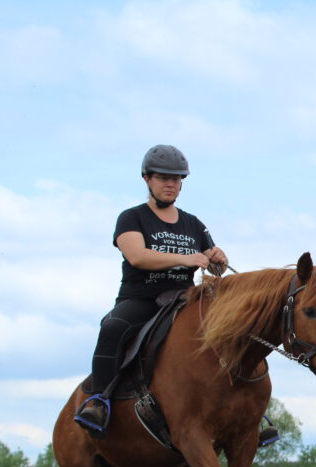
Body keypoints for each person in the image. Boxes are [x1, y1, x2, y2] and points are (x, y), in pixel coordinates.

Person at [74, 144, 228, 436]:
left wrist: (220, 261)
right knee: (112, 326)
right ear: (147, 179)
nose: (170, 184)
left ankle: (248, 413)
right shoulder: (131, 218)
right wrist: (186, 258)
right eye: (163, 178)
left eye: (176, 179)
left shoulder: (193, 224)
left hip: (185, 301)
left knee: (231, 331)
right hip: (141, 298)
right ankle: (99, 401)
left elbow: (213, 267)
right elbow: (138, 256)